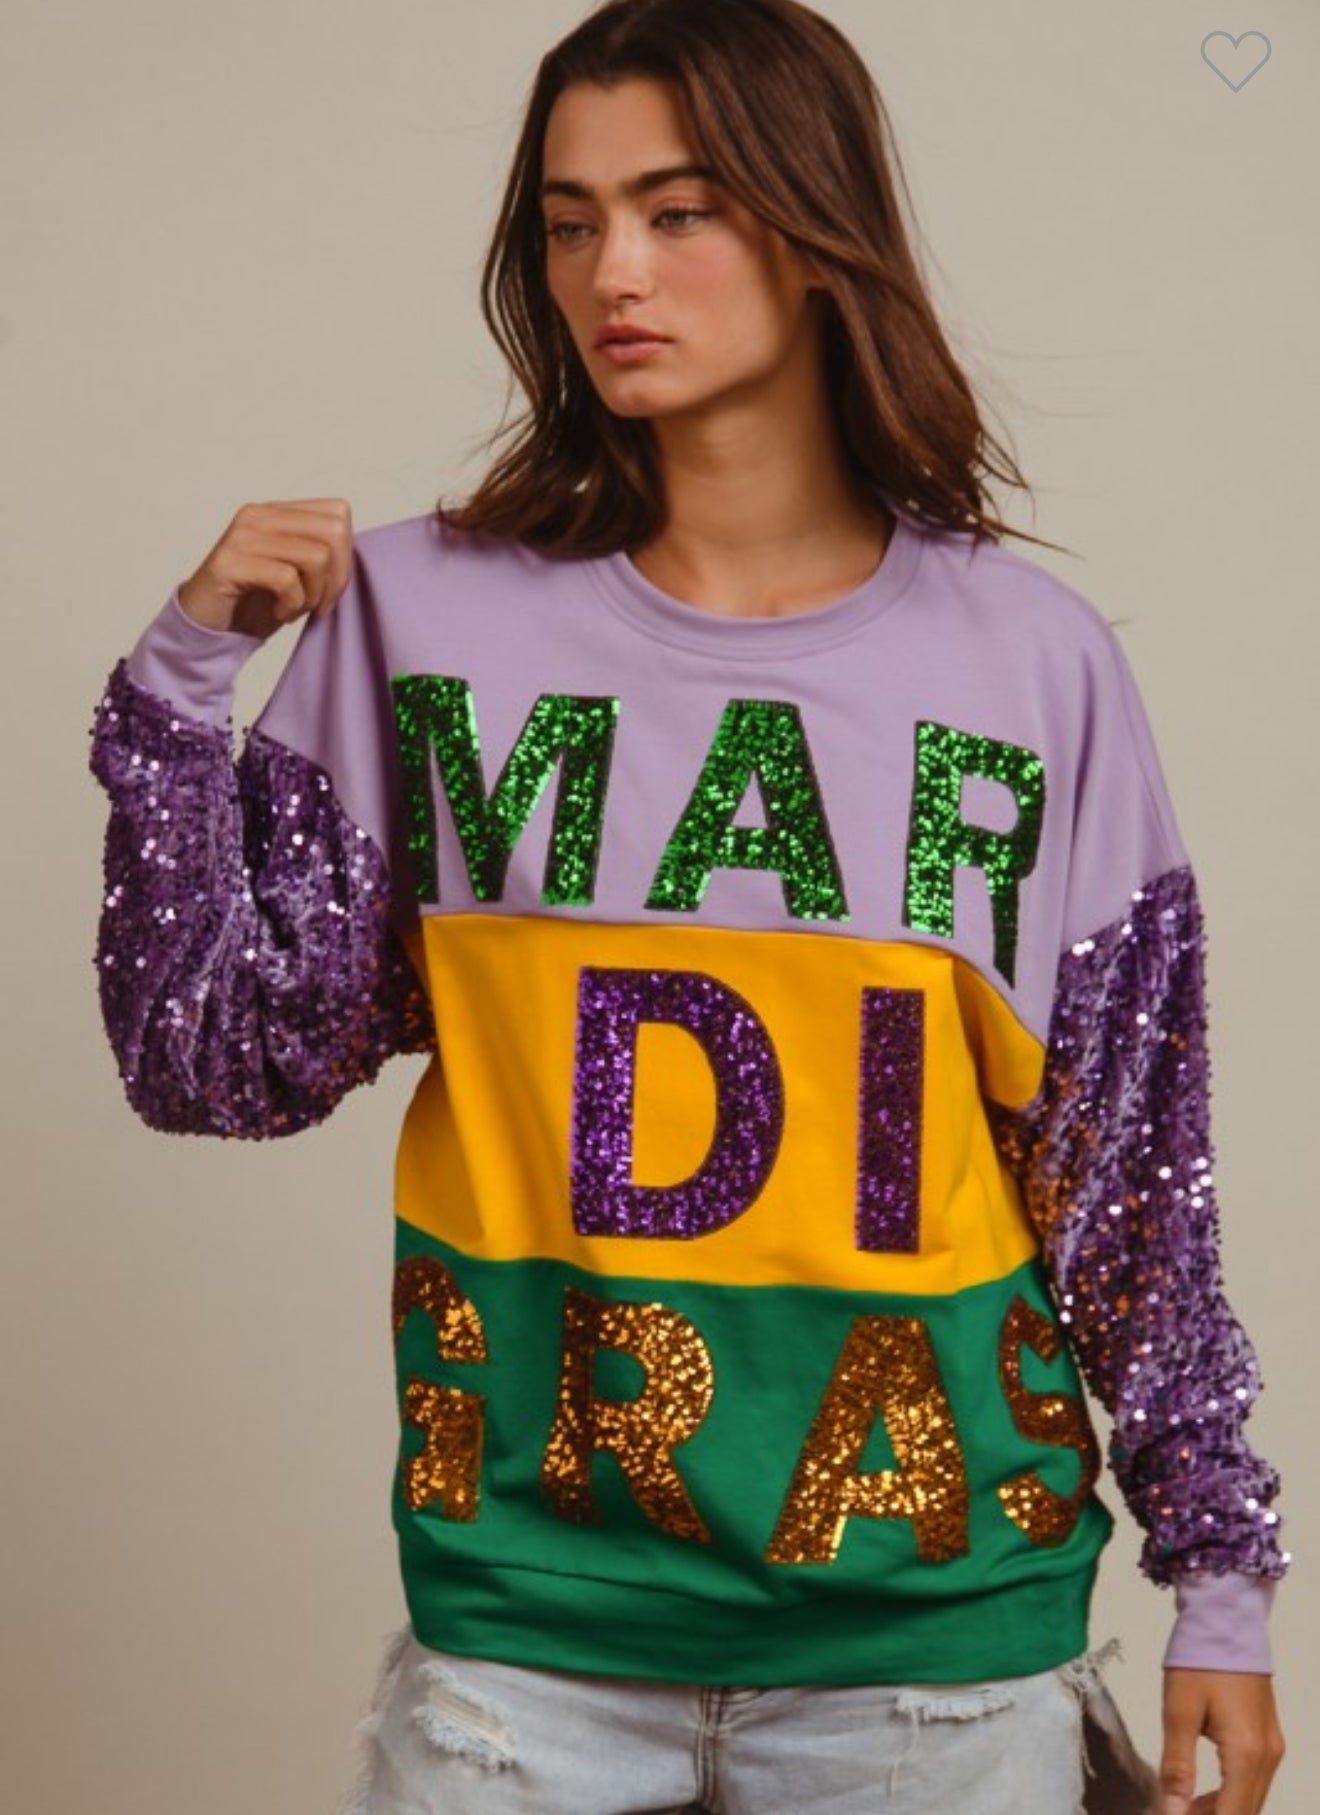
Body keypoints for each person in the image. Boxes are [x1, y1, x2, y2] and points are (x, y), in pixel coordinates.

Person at [86, 1, 1289, 1810]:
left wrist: (1222, 1583)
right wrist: (181, 693)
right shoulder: (423, 625)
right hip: (527, 1632)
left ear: (815, 232)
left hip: (936, 1654)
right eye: (570, 223)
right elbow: (216, 1064)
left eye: (679, 210)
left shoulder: (1028, 664)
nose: (612, 275)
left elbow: (1127, 1173)